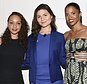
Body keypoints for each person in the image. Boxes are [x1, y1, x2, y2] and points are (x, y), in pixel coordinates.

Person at [22, 3, 66, 84]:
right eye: (39, 16)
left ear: (51, 16)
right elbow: (27, 61)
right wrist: (9, 63)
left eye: (45, 15)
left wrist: (78, 59)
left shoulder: (59, 37)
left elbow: (63, 61)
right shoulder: (31, 38)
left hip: (55, 81)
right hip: (36, 81)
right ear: (36, 19)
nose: (42, 19)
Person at [0, 12, 29, 84]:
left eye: (18, 23)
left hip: (17, 80)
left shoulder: (26, 43)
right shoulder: (1, 41)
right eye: (11, 23)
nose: (14, 26)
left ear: (21, 25)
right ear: (8, 24)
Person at [64, 2, 87, 84]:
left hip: (85, 75)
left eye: (73, 13)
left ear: (80, 14)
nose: (69, 17)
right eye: (67, 15)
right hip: (69, 75)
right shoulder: (66, 35)